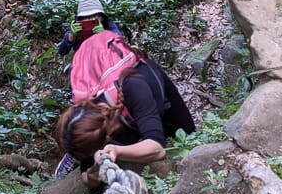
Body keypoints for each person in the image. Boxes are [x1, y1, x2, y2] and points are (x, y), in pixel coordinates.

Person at [55, 56, 195, 186]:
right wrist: (92, 176)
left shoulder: (134, 87)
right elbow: (86, 175)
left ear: (104, 138)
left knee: (188, 136)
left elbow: (157, 149)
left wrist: (118, 151)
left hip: (154, 97)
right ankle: (75, 155)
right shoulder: (86, 112)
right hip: (115, 121)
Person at [57, 0, 122, 56]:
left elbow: (119, 43)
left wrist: (104, 34)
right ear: (80, 19)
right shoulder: (75, 27)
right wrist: (71, 35)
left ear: (101, 17)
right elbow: (62, 52)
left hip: (106, 59)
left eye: (94, 16)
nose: (90, 19)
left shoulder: (108, 24)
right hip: (83, 61)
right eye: (85, 17)